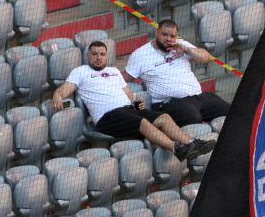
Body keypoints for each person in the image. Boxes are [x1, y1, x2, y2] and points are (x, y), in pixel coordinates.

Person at [52, 40, 214, 161]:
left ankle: (192, 144)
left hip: (128, 111)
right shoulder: (80, 72)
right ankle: (177, 148)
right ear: (88, 55)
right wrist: (58, 96)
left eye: (102, 54)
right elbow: (64, 89)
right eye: (94, 54)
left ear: (107, 56)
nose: (98, 58)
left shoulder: (114, 71)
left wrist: (137, 101)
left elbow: (129, 93)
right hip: (107, 118)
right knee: (144, 123)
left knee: (163, 118)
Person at [124, 19, 230, 128]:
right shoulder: (140, 55)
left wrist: (186, 49)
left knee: (230, 111)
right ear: (157, 32)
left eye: (172, 36)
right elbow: (123, 80)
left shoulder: (181, 45)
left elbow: (205, 58)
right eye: (164, 35)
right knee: (193, 118)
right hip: (168, 103)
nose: (168, 39)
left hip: (198, 96)